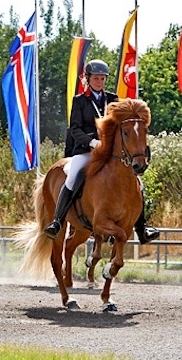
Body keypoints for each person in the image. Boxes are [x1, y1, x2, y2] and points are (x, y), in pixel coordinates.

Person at [44, 59, 160, 244]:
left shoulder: (113, 100)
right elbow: (75, 129)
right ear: (88, 79)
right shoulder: (80, 101)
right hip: (86, 150)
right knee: (73, 175)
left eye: (102, 79)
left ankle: (142, 227)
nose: (99, 82)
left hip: (111, 153)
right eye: (96, 78)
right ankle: (57, 221)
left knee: (136, 182)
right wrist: (92, 142)